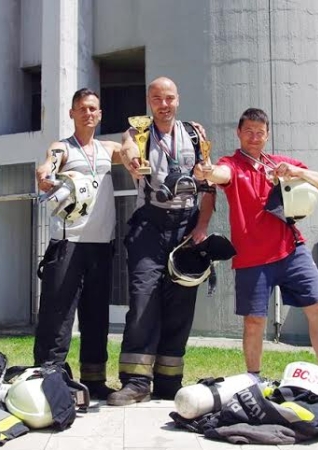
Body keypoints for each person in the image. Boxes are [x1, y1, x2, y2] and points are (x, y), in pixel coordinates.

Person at [194, 107, 318, 379]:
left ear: (267, 135)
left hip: (291, 250)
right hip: (252, 257)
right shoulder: (232, 163)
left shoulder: (278, 163)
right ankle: (253, 379)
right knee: (254, 321)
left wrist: (295, 172)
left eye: (260, 133)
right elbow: (220, 174)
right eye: (248, 131)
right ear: (239, 133)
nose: (254, 137)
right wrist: (206, 172)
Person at [107, 77, 216, 406]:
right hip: (149, 226)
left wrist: (202, 226)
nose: (163, 104)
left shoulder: (195, 134)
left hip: (186, 226)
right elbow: (126, 147)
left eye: (169, 98)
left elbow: (209, 186)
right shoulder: (138, 132)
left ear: (178, 100)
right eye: (157, 98)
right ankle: (136, 381)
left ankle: (169, 381)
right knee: (143, 299)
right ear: (149, 101)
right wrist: (131, 160)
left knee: (181, 304)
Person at [33, 88, 122, 400]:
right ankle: (47, 377)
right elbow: (48, 164)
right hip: (67, 243)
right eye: (82, 108)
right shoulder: (63, 148)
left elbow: (136, 150)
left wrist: (135, 139)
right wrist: (45, 174)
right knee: (58, 314)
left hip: (101, 244)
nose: (88, 113)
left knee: (96, 315)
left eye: (93, 108)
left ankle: (94, 380)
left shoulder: (109, 149)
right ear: (71, 113)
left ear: (100, 114)